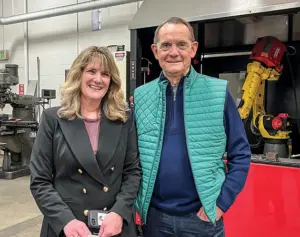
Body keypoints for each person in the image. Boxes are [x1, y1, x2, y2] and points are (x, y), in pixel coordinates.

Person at [133, 17, 252, 237]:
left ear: (193, 49)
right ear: (155, 50)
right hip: (155, 219)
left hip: (202, 220)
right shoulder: (141, 96)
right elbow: (132, 159)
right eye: (166, 45)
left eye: (181, 44)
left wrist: (220, 204)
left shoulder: (217, 93)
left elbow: (241, 154)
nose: (174, 52)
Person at [30, 46, 141, 237]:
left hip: (113, 226)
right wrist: (65, 220)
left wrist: (119, 212)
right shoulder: (53, 119)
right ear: (78, 75)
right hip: (69, 227)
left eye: (105, 74)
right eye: (91, 71)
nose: (98, 79)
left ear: (111, 81)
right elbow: (40, 181)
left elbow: (132, 172)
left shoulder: (124, 119)